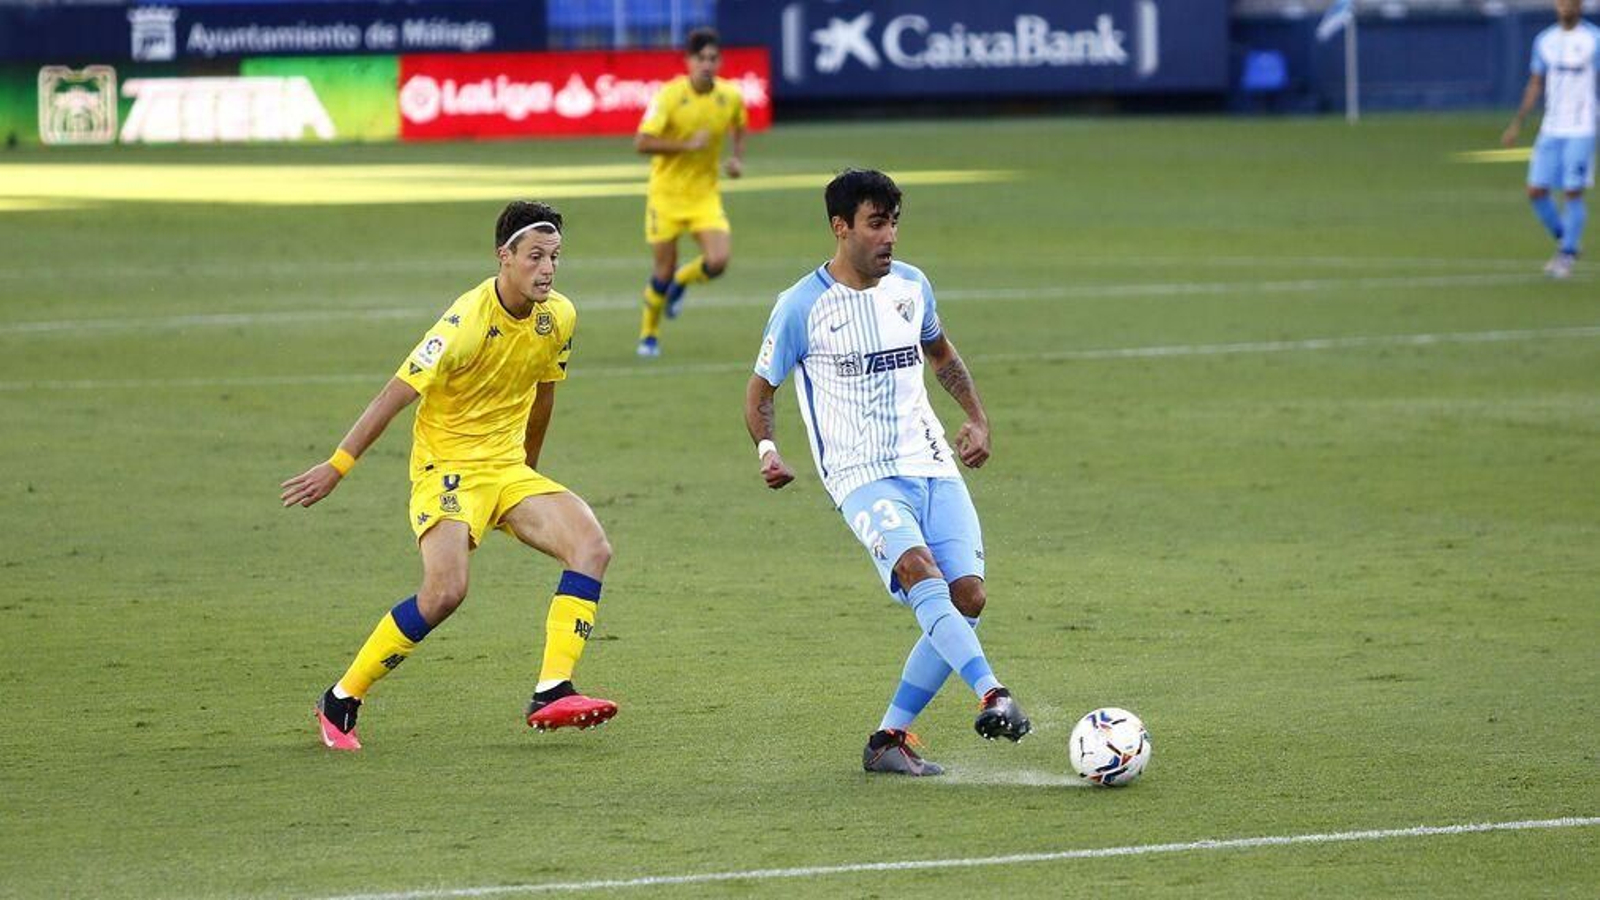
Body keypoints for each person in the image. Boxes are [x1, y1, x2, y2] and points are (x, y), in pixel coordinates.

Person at [281, 200, 618, 751]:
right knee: (445, 592)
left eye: (554, 257)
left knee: (591, 546)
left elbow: (544, 392)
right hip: (449, 470)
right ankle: (341, 698)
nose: (547, 269)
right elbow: (395, 395)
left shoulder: (559, 316)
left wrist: (527, 471)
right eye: (535, 257)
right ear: (503, 257)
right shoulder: (463, 322)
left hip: (506, 469)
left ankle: (552, 689)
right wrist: (337, 466)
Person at [742, 169, 1030, 777]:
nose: (889, 236)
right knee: (916, 568)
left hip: (931, 463)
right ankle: (992, 692)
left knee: (967, 596)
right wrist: (767, 448)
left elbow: (942, 355)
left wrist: (977, 419)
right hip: (860, 475)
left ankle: (888, 739)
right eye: (877, 223)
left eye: (894, 222)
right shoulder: (801, 306)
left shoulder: (912, 286)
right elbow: (760, 391)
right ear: (840, 227)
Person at [633, 26, 747, 358]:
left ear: (720, 61)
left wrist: (737, 158)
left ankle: (683, 280)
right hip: (666, 196)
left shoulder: (730, 96)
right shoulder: (669, 96)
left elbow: (740, 125)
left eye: (713, 58)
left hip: (704, 195)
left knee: (718, 260)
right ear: (688, 61)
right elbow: (641, 142)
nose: (707, 65)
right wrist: (685, 145)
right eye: (701, 59)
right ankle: (648, 334)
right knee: (661, 271)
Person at [1502, 0, 1599, 279]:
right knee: (1536, 191)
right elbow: (1535, 82)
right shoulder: (1545, 40)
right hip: (1551, 127)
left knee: (1572, 191)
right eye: (1561, 2)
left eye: (1571, 3)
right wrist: (1517, 123)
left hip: (1581, 127)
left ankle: (1566, 256)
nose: (1565, 7)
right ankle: (1566, 239)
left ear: (1580, 6)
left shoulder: (1593, 40)